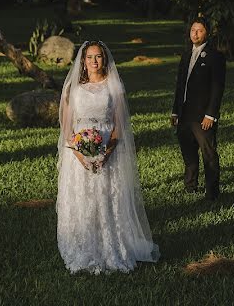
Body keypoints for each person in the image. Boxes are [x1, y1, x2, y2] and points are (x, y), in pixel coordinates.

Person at [56, 41, 159, 273]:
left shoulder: (114, 87)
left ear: (105, 59)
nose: (94, 61)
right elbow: (67, 126)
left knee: (106, 199)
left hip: (107, 152)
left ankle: (110, 247)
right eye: (89, 57)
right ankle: (83, 247)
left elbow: (119, 125)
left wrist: (105, 153)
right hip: (78, 154)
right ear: (83, 61)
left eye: (98, 56)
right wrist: (81, 154)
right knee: (84, 201)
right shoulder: (73, 88)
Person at [170, 17, 226, 201]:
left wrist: (211, 114)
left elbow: (217, 88)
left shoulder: (215, 56)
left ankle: (212, 192)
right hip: (185, 113)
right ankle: (190, 186)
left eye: (199, 30)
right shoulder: (186, 55)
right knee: (188, 152)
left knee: (208, 153)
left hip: (203, 115)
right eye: (193, 30)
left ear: (207, 33)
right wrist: (175, 111)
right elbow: (180, 86)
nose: (195, 33)